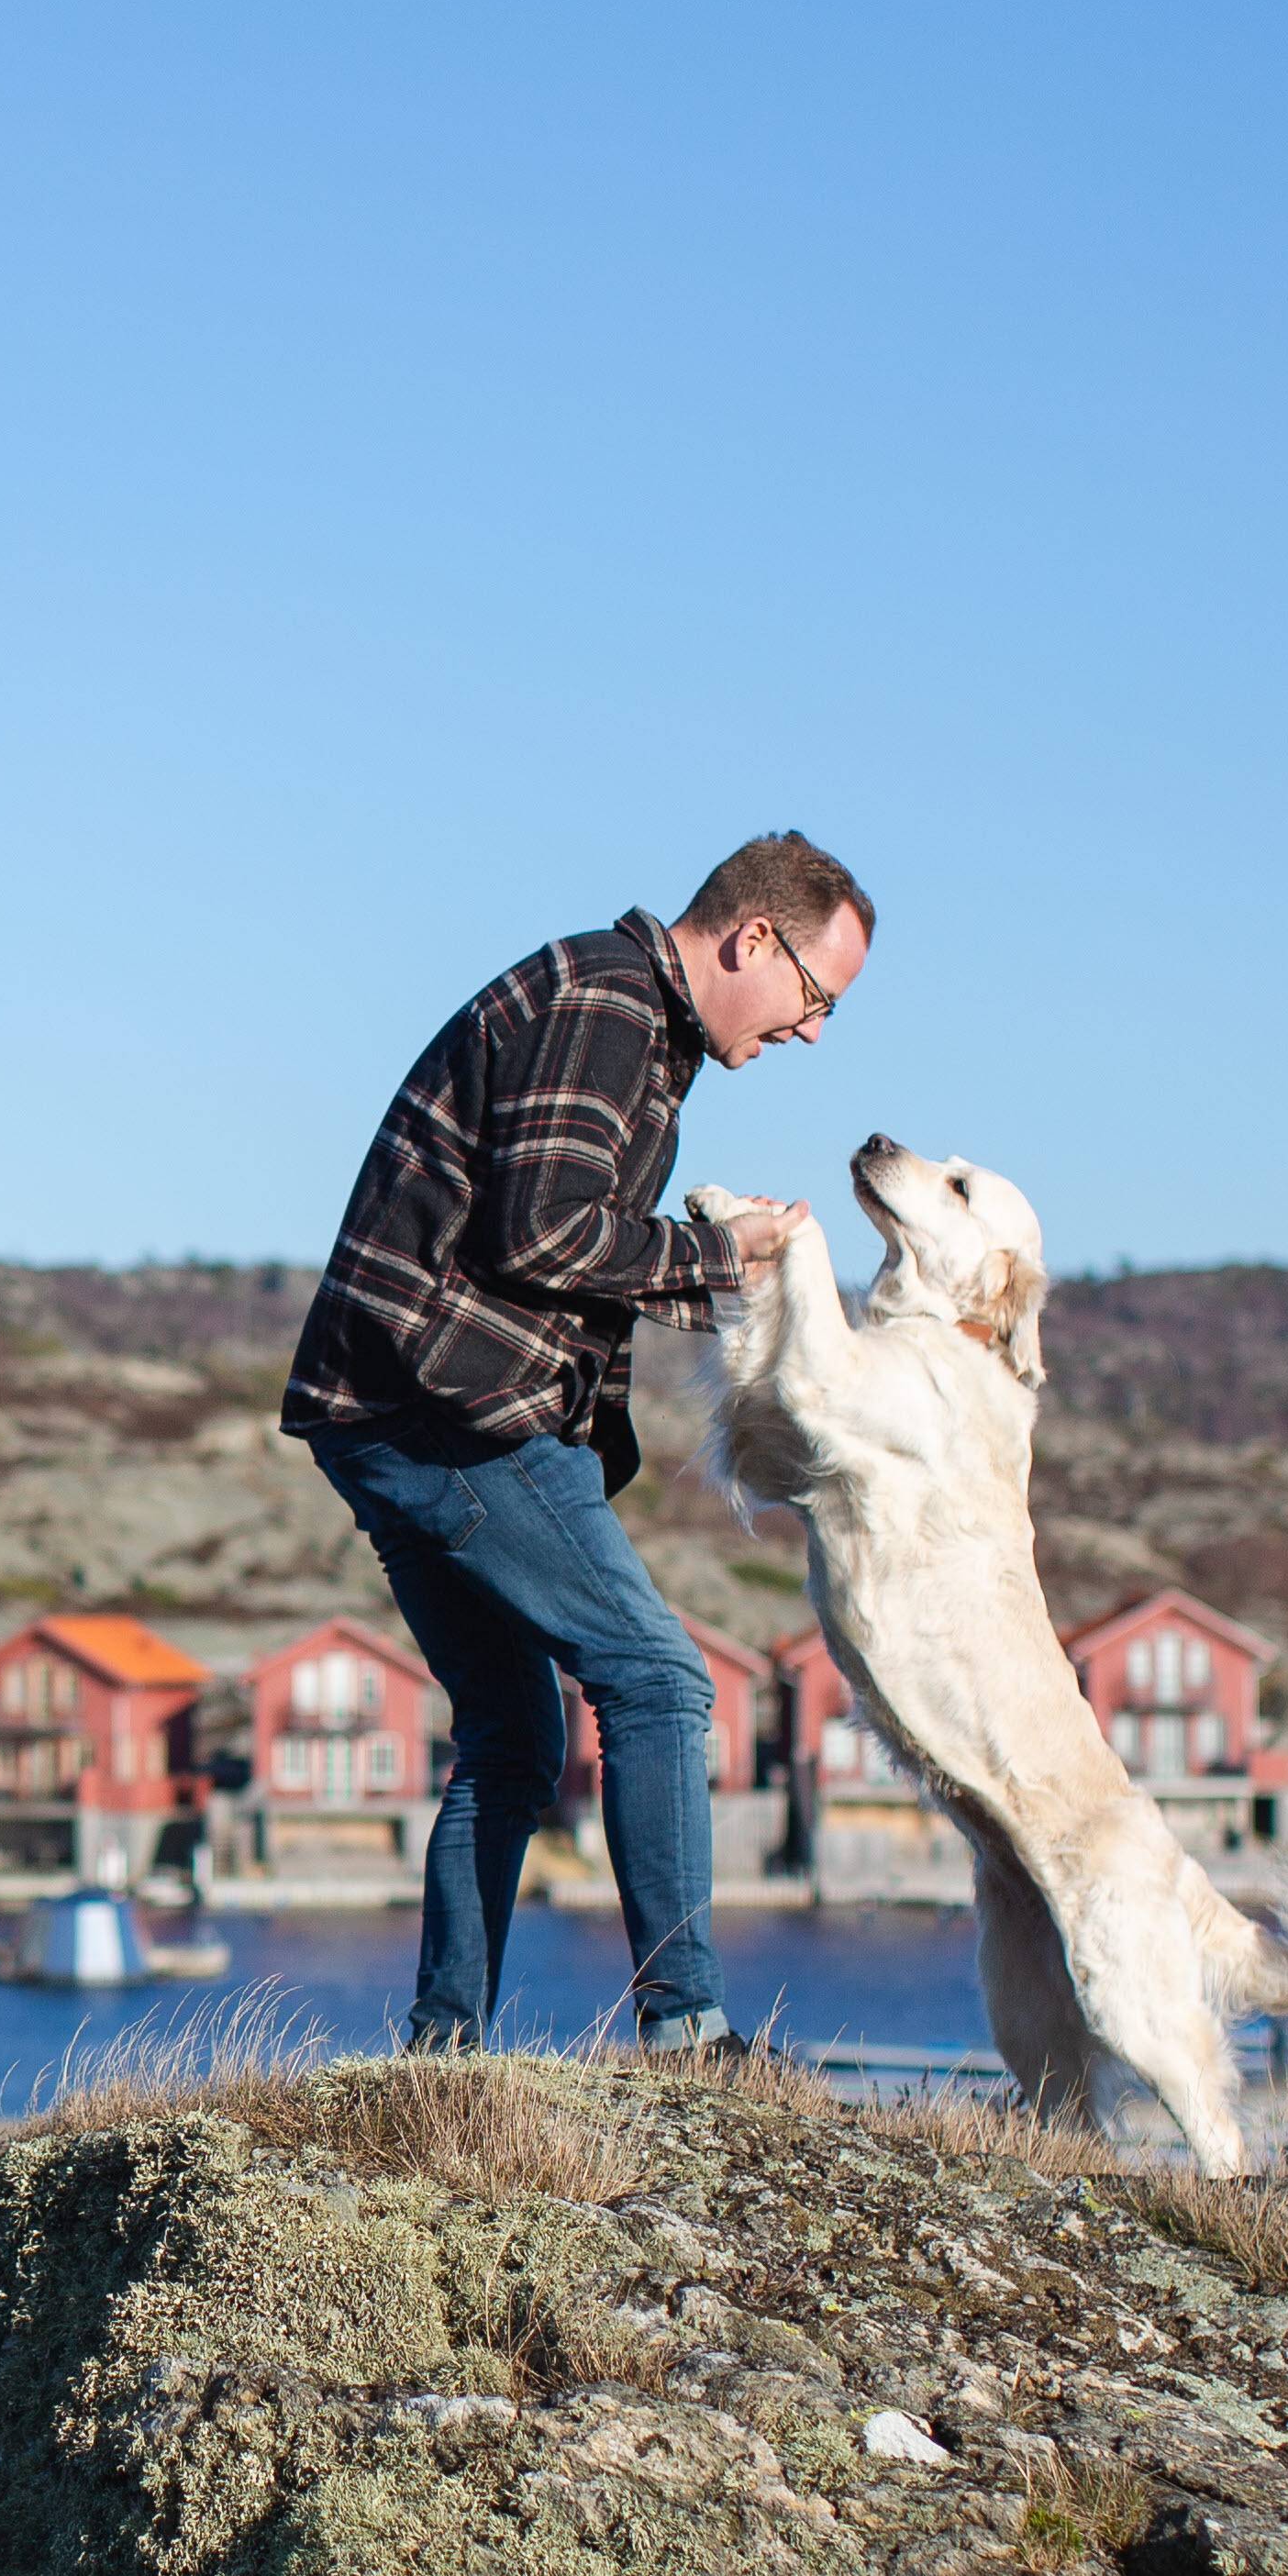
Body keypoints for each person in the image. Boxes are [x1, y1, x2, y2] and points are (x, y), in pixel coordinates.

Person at [285, 831, 875, 2054]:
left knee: (512, 1740)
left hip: (386, 1416)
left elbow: (551, 1247)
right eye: (817, 997)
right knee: (658, 1680)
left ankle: (442, 2055)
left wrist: (597, 1431)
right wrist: (724, 1256)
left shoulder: (630, 1025)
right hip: (447, 1410)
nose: (815, 1033)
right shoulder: (607, 1005)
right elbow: (545, 1236)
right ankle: (688, 2029)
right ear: (750, 940)